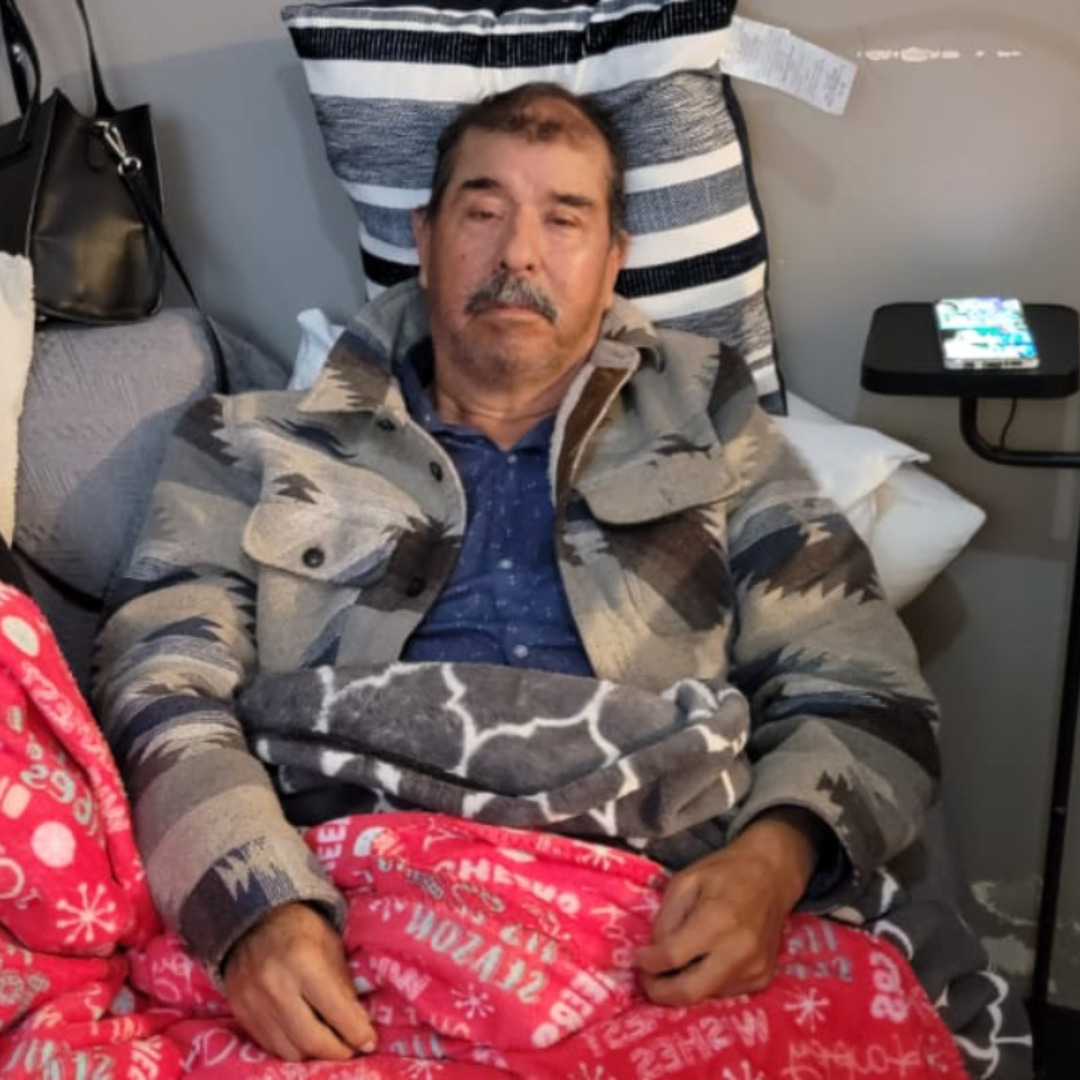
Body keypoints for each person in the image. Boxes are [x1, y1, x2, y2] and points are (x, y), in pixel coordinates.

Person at [94, 84, 943, 1065]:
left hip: (654, 908)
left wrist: (773, 859)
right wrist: (250, 902)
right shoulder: (244, 443)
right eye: (483, 211)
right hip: (339, 905)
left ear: (614, 257)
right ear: (425, 237)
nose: (519, 254)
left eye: (565, 218)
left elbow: (863, 684)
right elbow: (158, 682)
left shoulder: (716, 433)